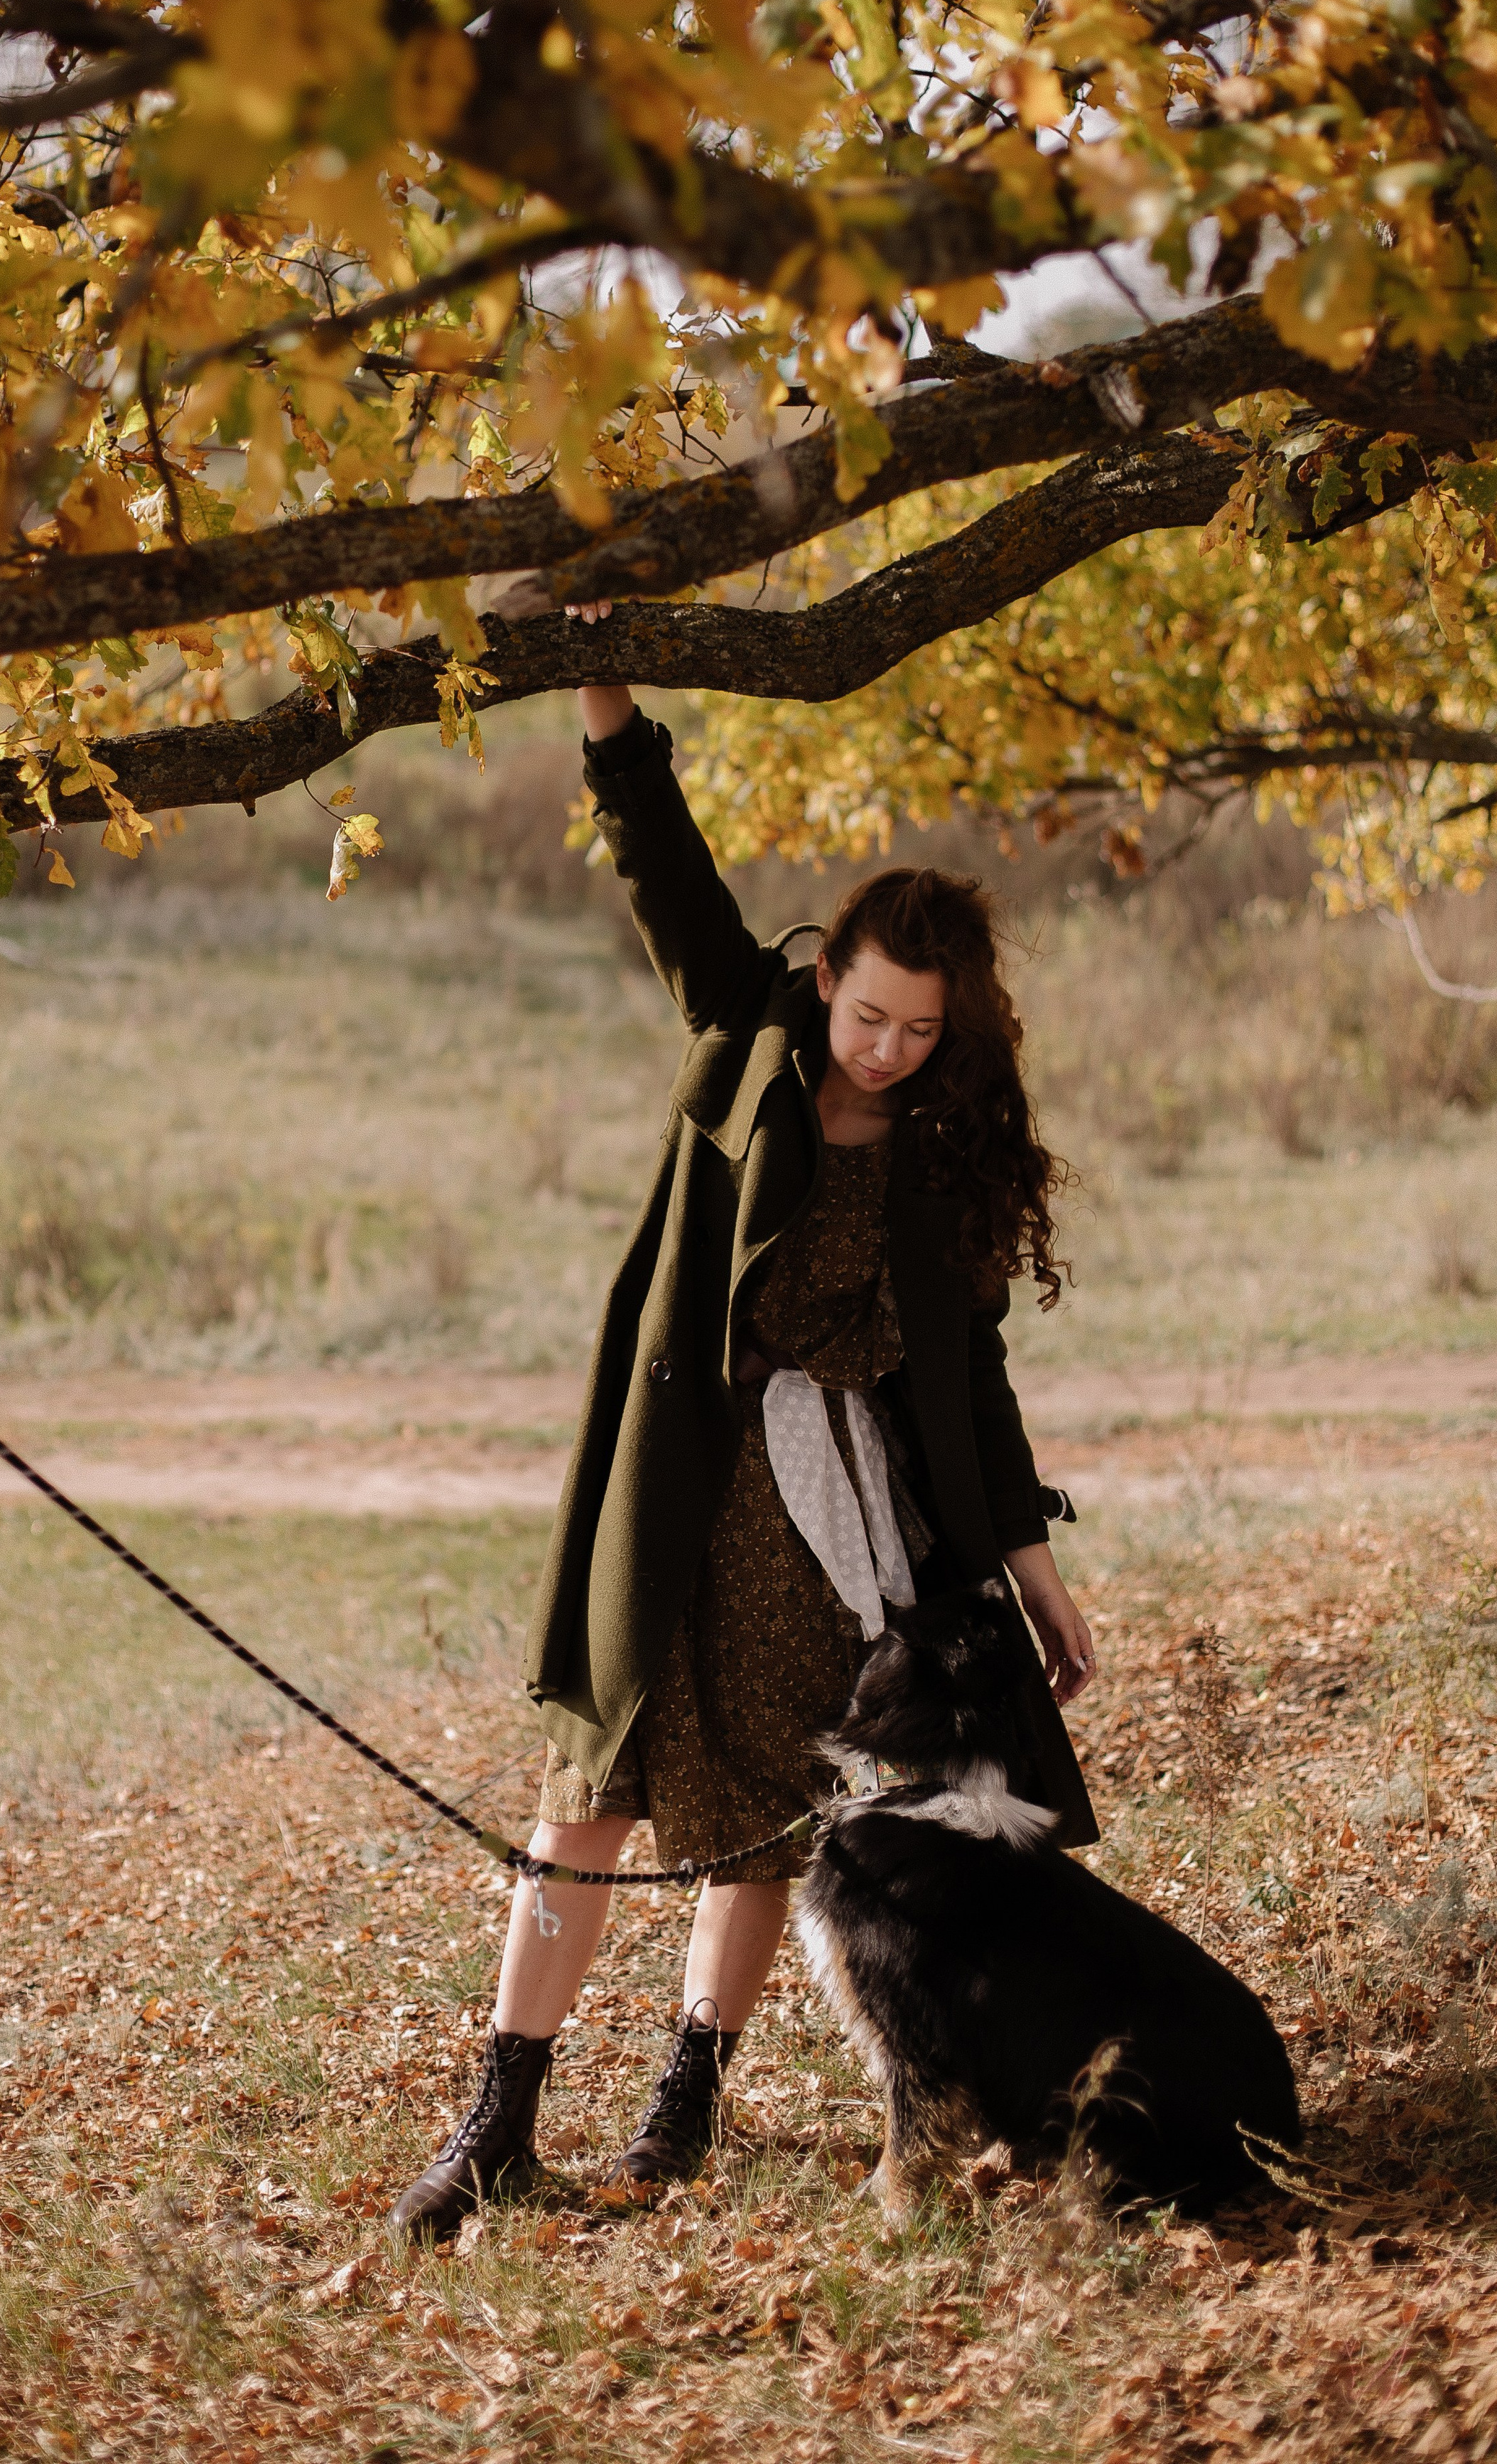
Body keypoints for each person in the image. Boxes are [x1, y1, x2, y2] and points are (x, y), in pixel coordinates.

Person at [387, 679, 1098, 2242]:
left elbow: (969, 1374)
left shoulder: (939, 1144)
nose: (892, 1049)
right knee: (586, 1796)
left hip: (832, 1534)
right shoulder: (748, 1035)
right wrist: (601, 696)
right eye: (870, 1014)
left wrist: (1031, 1559)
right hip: (673, 1494)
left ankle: (683, 2107)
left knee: (771, 1826)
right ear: (825, 974)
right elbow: (658, 857)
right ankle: (497, 2120)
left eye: (923, 1029)